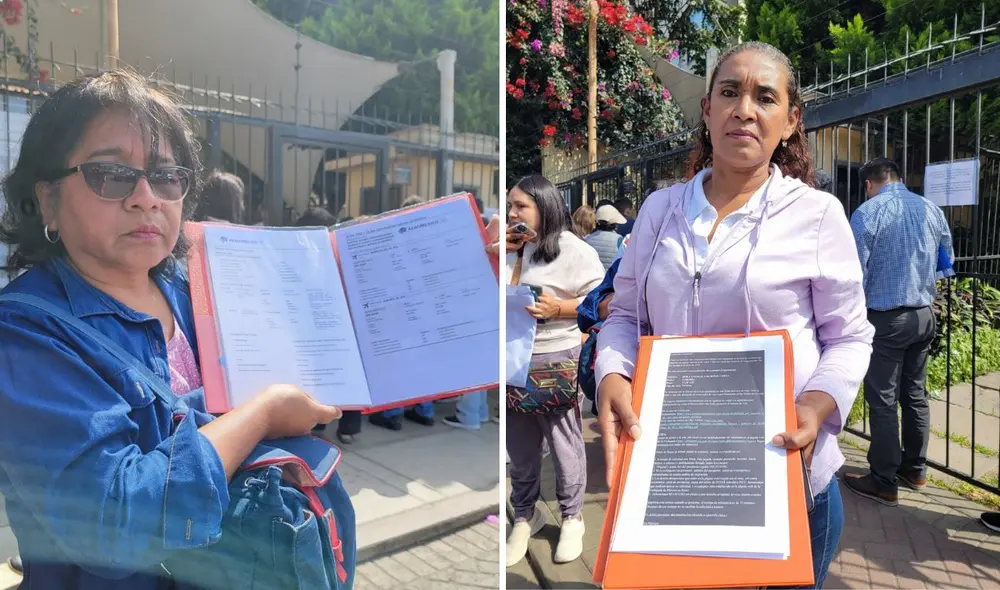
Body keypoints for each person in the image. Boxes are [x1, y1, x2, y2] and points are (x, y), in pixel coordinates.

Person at [0, 70, 343, 588]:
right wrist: (262, 414)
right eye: (110, 174)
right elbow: (110, 524)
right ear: (48, 200)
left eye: (165, 176)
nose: (146, 198)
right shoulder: (26, 335)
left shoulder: (196, 290)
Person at [595, 41, 874, 589]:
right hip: (677, 479)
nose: (744, 109)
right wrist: (611, 370)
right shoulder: (659, 211)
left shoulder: (817, 215)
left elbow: (850, 336)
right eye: (729, 93)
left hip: (786, 480)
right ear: (707, 110)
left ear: (790, 121)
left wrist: (818, 403)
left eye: (765, 97)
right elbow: (625, 314)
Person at [505, 174, 605, 568]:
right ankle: (524, 516)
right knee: (520, 449)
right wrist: (503, 255)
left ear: (544, 206)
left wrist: (559, 309)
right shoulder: (510, 249)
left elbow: (602, 300)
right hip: (511, 359)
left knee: (564, 445)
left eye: (521, 206)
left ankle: (572, 517)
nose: (513, 214)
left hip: (556, 358)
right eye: (510, 206)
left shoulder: (574, 250)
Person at [843, 158, 954, 507]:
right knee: (915, 394)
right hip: (924, 315)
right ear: (899, 178)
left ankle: (883, 480)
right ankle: (915, 470)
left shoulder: (867, 213)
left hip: (887, 319)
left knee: (883, 400)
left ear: (868, 184)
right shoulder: (931, 209)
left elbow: (854, 273)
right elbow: (946, 262)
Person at [291, 207, 365, 445]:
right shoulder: (336, 252)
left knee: (322, 378)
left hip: (324, 327)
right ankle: (344, 428)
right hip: (339, 327)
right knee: (345, 376)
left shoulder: (302, 255)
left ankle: (320, 423)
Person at [584, 205, 626, 270]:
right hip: (611, 275)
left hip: (593, 275)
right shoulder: (619, 239)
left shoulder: (587, 239)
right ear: (615, 224)